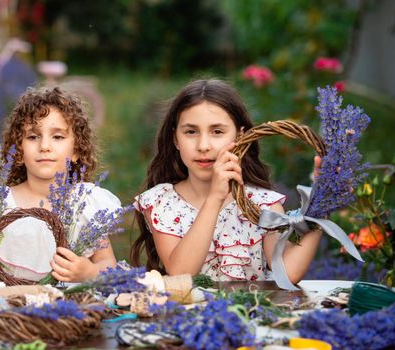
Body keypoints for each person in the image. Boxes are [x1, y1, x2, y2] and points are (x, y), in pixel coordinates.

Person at [130, 79, 322, 284]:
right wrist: (215, 197)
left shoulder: (260, 204)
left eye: (217, 132)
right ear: (176, 139)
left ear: (240, 136)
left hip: (250, 313)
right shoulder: (162, 202)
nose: (203, 145)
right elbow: (181, 274)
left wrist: (321, 204)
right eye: (191, 132)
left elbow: (288, 272)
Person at [0, 86, 119, 282]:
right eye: (33, 137)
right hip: (6, 306)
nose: (44, 147)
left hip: (66, 306)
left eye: (58, 137)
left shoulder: (86, 203)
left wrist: (89, 273)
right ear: (18, 151)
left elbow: (107, 263)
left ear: (76, 150)